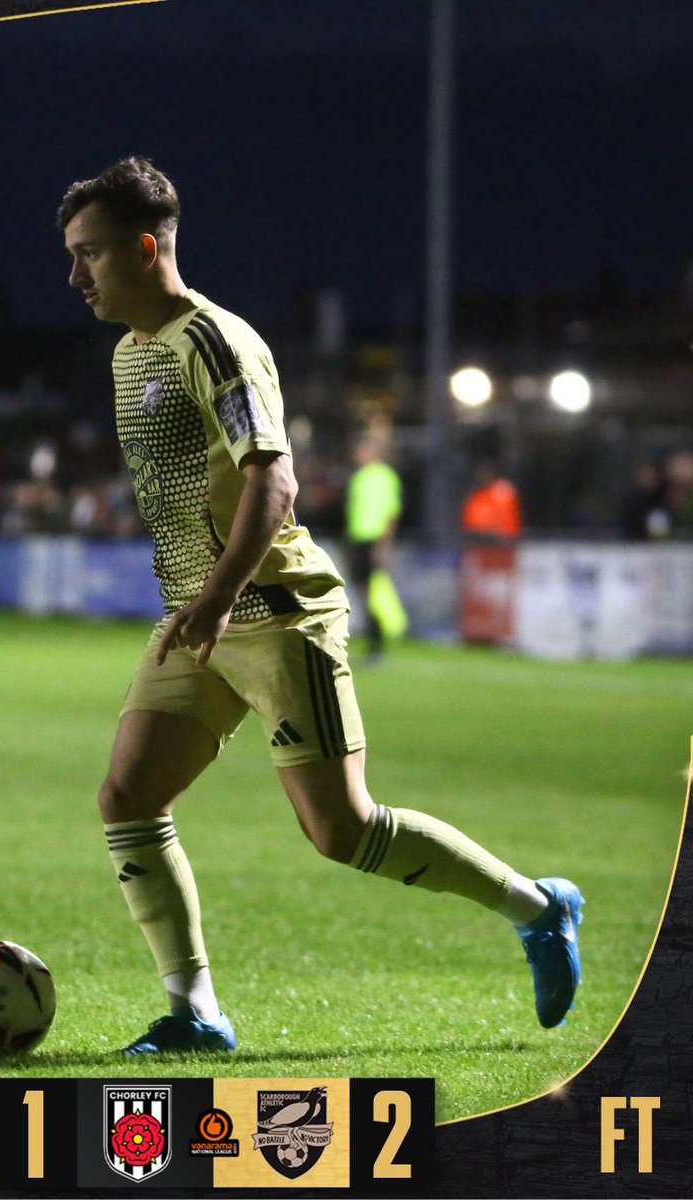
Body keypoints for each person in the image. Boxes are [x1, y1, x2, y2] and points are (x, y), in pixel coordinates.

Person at [57, 157, 582, 1054]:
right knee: (127, 796)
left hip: (273, 608)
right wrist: (201, 605)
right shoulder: (127, 354)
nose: (76, 276)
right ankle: (195, 1014)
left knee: (340, 831)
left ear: (147, 250)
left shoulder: (216, 342)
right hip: (200, 615)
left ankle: (537, 906)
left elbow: (276, 479)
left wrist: (219, 597)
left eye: (92, 255)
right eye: (72, 256)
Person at [345, 435, 405, 661]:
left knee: (371, 593)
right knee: (362, 592)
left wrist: (383, 545)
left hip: (373, 540)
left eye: (362, 450)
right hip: (358, 540)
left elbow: (391, 513)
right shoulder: (359, 477)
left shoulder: (385, 476)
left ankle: (377, 644)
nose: (358, 455)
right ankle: (374, 642)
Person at [461, 460, 522, 543]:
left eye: (486, 472)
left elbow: (506, 518)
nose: (483, 476)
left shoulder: (503, 489)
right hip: (480, 540)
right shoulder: (476, 495)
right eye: (481, 474)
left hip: (503, 540)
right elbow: (470, 520)